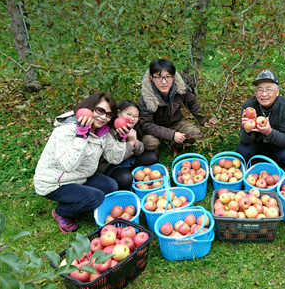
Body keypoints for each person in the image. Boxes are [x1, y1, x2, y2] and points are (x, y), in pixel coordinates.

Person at [34, 92, 128, 233]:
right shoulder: (66, 130)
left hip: (80, 176)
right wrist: (81, 136)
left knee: (111, 186)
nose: (103, 117)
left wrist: (121, 140)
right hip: (54, 182)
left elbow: (114, 159)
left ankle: (83, 201)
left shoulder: (102, 132)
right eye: (100, 111)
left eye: (108, 115)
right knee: (96, 197)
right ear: (90, 108)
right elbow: (67, 165)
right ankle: (61, 211)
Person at [138, 59, 217, 153]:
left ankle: (176, 145)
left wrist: (204, 119)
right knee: (151, 144)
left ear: (173, 76)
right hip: (154, 127)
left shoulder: (180, 88)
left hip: (174, 122)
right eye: (158, 77)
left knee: (195, 134)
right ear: (151, 77)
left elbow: (192, 103)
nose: (164, 82)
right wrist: (171, 135)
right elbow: (146, 125)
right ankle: (158, 152)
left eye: (168, 77)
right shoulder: (147, 97)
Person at [236, 70, 285, 168]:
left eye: (268, 90)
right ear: (256, 93)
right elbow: (244, 140)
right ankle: (255, 162)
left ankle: (280, 165)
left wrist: (269, 132)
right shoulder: (248, 106)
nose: (264, 94)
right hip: (256, 143)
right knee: (243, 151)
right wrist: (247, 131)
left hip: (277, 145)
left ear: (277, 92)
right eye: (260, 90)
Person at [97, 100, 159, 191]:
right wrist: (130, 143)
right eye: (129, 114)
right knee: (125, 178)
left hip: (127, 159)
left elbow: (139, 151)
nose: (132, 118)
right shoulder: (108, 131)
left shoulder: (130, 128)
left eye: (136, 116)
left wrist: (135, 142)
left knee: (152, 157)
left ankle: (132, 173)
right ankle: (125, 180)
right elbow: (116, 158)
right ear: (118, 113)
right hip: (110, 164)